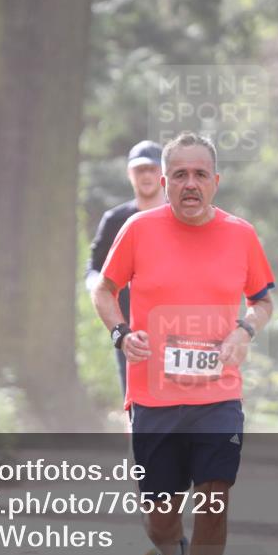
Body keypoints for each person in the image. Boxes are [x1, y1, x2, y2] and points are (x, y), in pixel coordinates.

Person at [91, 132, 275, 555]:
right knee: (160, 516)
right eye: (179, 175)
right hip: (154, 396)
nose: (190, 183)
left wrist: (244, 331)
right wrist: (120, 333)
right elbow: (104, 290)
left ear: (215, 181)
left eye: (199, 174)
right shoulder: (138, 229)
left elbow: (262, 301)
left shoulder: (241, 234)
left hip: (218, 394)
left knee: (214, 499)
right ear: (164, 182)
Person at [85, 141, 166, 397]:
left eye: (152, 169)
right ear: (130, 174)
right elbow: (94, 269)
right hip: (131, 330)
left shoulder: (181, 218)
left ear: (164, 173)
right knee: (136, 401)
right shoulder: (116, 220)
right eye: (140, 170)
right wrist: (99, 291)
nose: (146, 175)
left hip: (176, 327)